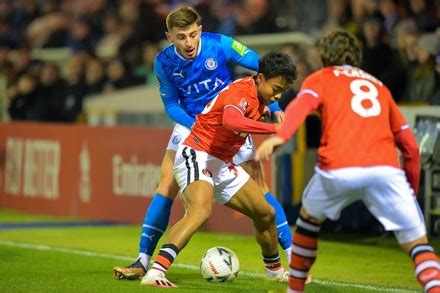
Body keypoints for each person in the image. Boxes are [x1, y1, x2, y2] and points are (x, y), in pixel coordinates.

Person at [113, 6, 293, 280]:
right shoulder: (163, 62)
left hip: (234, 117)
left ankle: (289, 261)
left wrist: (275, 104)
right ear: (169, 36)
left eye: (193, 34)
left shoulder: (219, 44)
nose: (189, 42)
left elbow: (264, 70)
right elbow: (171, 104)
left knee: (261, 194)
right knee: (167, 186)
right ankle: (143, 261)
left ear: (201, 29)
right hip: (195, 125)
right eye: (181, 36)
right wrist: (196, 124)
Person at [255, 30, 440, 293]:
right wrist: (410, 189)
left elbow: (299, 107)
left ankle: (295, 289)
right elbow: (409, 146)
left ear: (324, 57)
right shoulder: (379, 86)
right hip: (385, 169)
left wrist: (279, 137)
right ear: (357, 57)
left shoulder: (321, 78)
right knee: (419, 245)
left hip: (338, 167)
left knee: (308, 219)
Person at [141, 50, 297, 288]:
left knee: (266, 214)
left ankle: (274, 270)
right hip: (198, 154)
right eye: (276, 88)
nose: (278, 95)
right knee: (200, 212)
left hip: (222, 162)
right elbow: (231, 121)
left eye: (283, 91)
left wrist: (267, 113)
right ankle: (155, 272)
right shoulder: (242, 91)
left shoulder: (259, 97)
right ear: (261, 78)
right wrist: (273, 130)